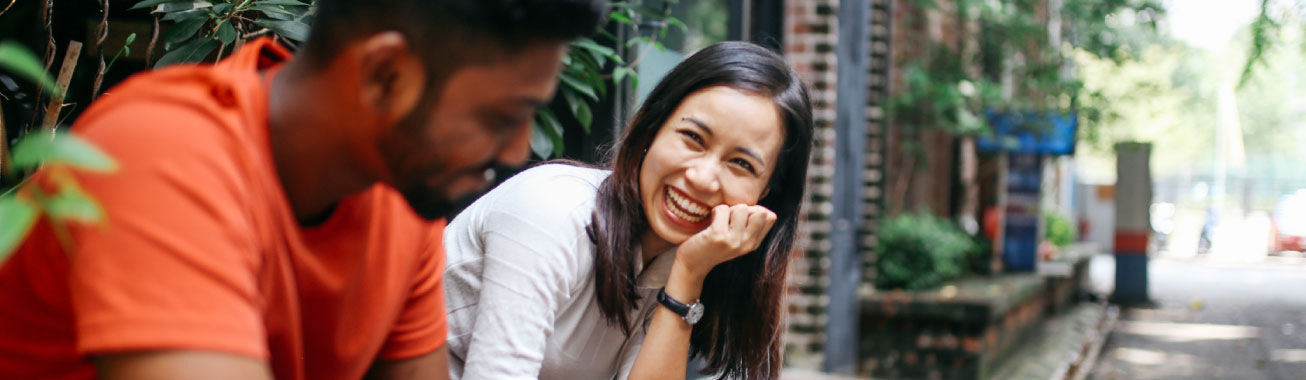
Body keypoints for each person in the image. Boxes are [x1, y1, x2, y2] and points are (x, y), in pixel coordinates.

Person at [0, 0, 605, 379]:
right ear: (385, 75)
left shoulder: (401, 202)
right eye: (499, 117)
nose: (515, 152)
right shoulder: (164, 154)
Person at [443, 41, 812, 380]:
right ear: (653, 128)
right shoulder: (551, 211)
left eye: (741, 164)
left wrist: (687, 276)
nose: (702, 178)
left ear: (765, 194)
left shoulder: (684, 258)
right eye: (693, 138)